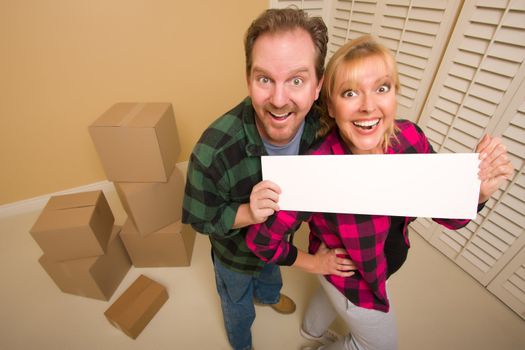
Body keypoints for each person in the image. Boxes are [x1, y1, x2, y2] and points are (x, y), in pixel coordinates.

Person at [246, 35, 514, 350]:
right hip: (353, 281)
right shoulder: (314, 169)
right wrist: (313, 264)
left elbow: (450, 218)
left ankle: (310, 335)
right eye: (350, 93)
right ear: (331, 106)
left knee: (328, 294)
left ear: (394, 95)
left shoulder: (410, 139)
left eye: (382, 88)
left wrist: (477, 193)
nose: (368, 106)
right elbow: (260, 241)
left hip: (380, 265)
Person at [182, 8, 346, 350]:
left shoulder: (326, 127)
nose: (279, 100)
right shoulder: (212, 151)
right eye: (265, 79)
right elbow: (201, 218)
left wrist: (474, 190)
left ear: (318, 86)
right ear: (248, 79)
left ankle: (269, 297)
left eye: (297, 80)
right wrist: (248, 213)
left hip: (280, 245)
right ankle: (241, 343)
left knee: (272, 275)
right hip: (235, 258)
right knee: (238, 306)